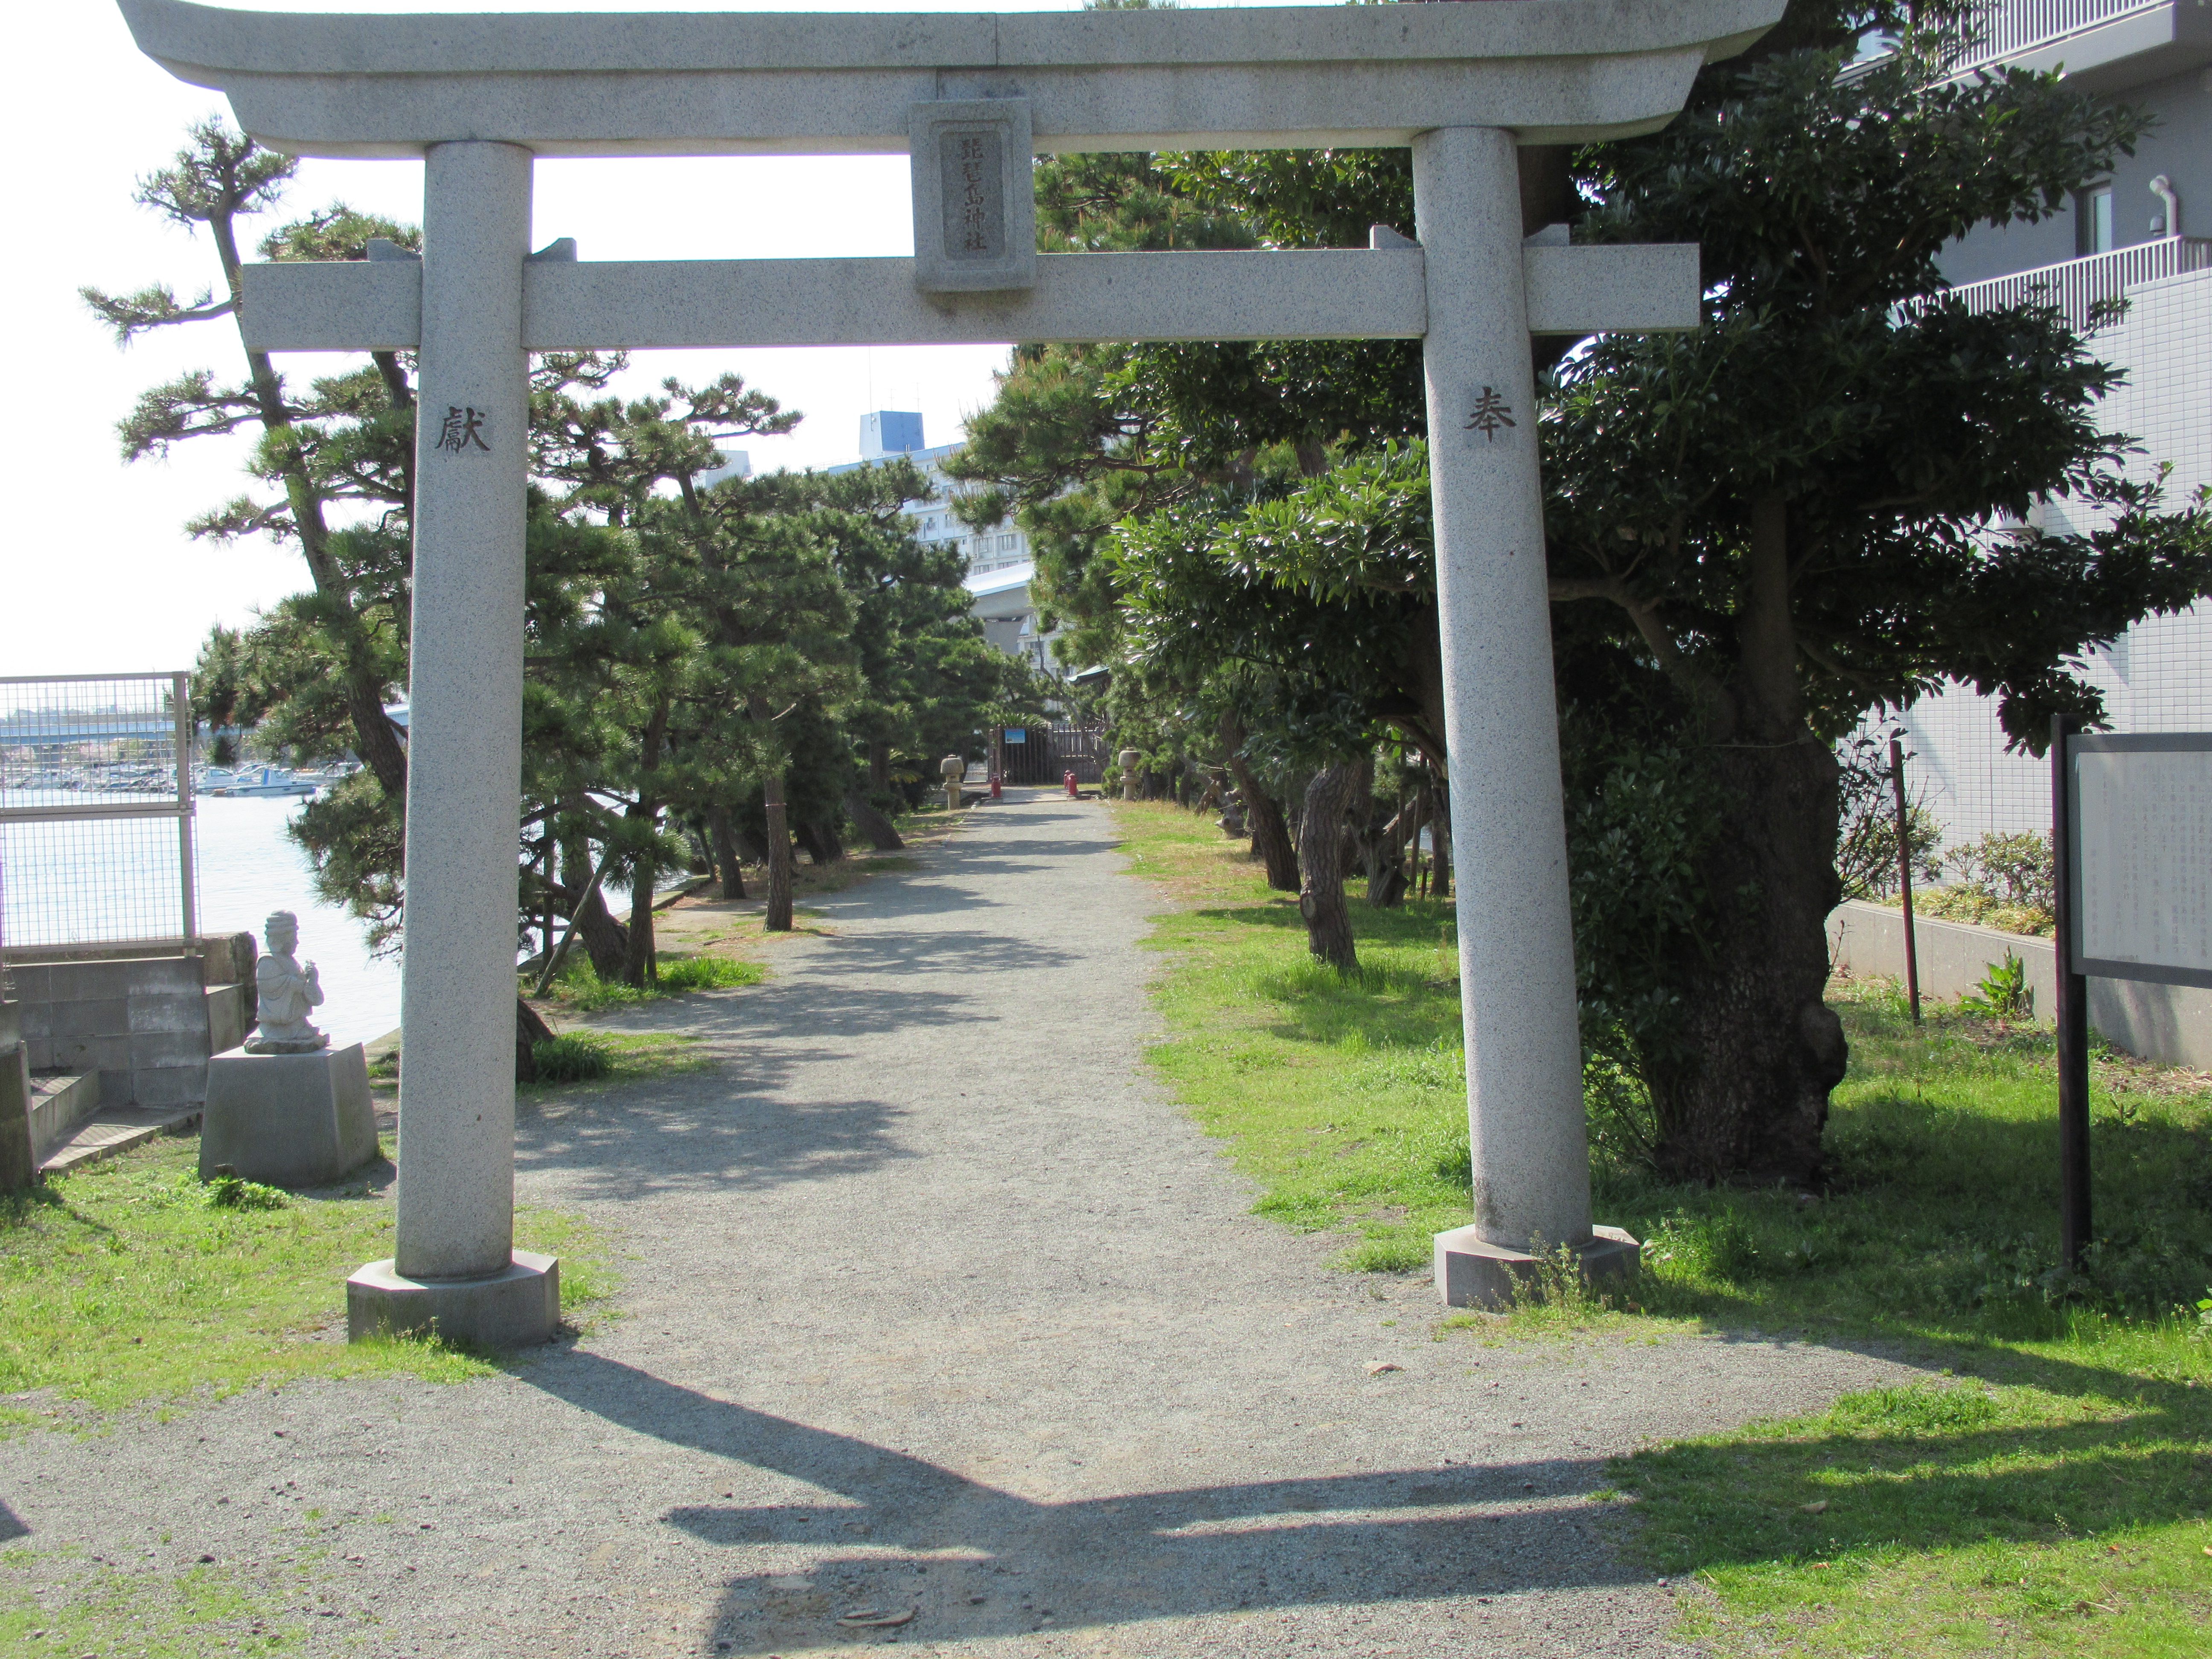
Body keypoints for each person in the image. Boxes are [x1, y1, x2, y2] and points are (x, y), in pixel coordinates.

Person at [247, 909, 328, 1053]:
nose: (297, 941)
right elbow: (285, 990)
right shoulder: (268, 962)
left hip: (299, 1027)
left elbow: (314, 998)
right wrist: (303, 983)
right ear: (282, 937)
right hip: (276, 1029)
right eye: (293, 936)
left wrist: (312, 980)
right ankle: (283, 1033)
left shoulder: (287, 960)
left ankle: (298, 1028)